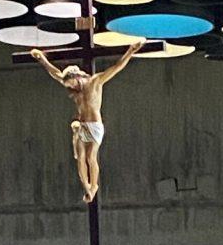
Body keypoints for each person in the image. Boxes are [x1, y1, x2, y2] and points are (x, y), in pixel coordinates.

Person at [30, 38, 145, 203]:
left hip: (95, 125)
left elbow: (117, 67)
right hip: (83, 125)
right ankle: (87, 188)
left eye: (72, 84)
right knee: (80, 157)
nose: (72, 88)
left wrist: (131, 51)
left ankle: (94, 185)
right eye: (70, 86)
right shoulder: (73, 87)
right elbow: (55, 73)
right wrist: (42, 59)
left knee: (91, 157)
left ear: (77, 78)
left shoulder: (95, 82)